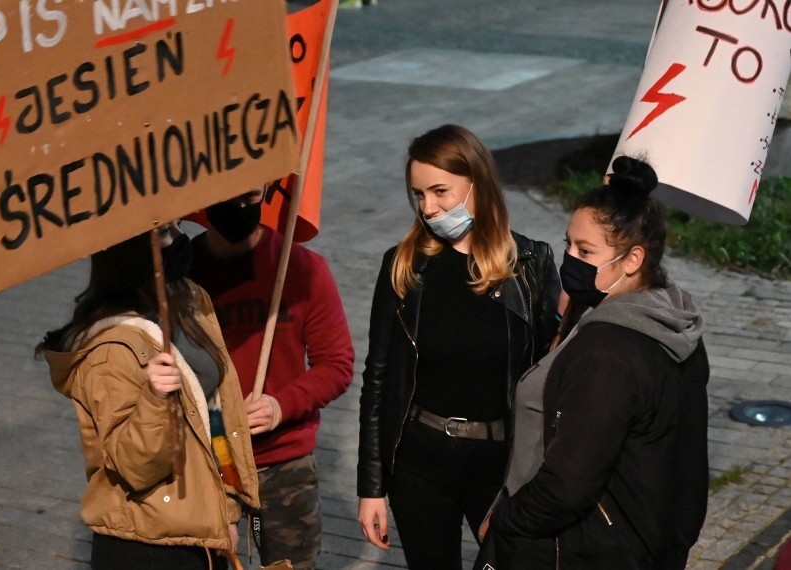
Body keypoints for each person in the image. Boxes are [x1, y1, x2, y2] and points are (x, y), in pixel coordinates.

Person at [482, 156, 710, 569]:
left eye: (585, 250)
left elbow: (568, 486)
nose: (569, 258)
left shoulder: (608, 353)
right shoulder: (672, 318)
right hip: (647, 540)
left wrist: (505, 520)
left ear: (632, 260)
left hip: (582, 550)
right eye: (568, 243)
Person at [356, 124, 561, 569]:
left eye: (440, 191)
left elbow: (550, 378)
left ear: (477, 182)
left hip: (501, 467)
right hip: (420, 464)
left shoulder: (530, 264)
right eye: (418, 195)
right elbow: (378, 379)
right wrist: (371, 486)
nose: (429, 208)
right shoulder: (404, 266)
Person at [38, 224, 260, 570]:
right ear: (132, 253)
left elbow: (212, 415)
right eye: (163, 233)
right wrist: (155, 397)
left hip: (197, 529)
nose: (178, 237)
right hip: (150, 546)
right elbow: (135, 466)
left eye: (173, 226)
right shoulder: (110, 350)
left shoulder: (188, 299)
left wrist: (225, 514)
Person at [189, 187, 355, 570]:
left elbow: (336, 363)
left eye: (249, 196)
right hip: (207, 459)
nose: (238, 207)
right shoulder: (180, 274)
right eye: (228, 194)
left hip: (283, 461)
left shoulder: (301, 267)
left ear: (266, 190)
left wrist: (282, 405)